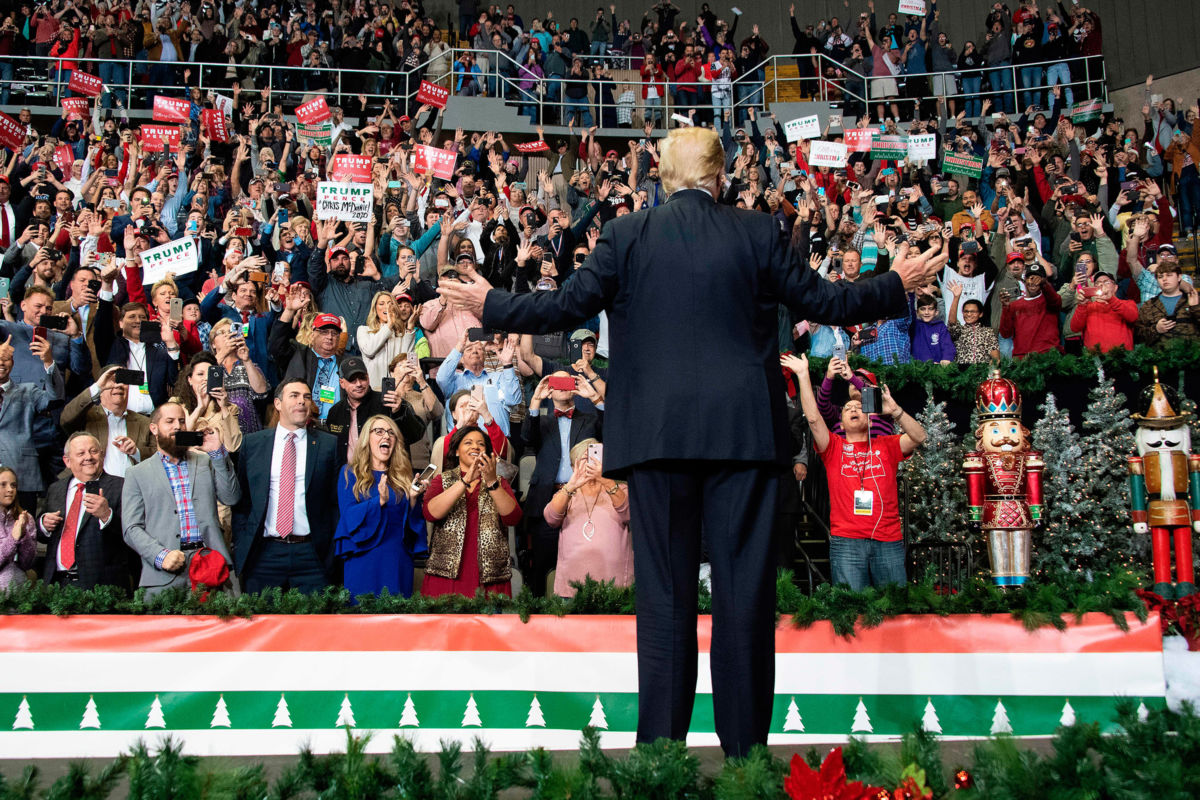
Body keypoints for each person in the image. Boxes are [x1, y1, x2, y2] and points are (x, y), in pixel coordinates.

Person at [438, 125, 932, 757]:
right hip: (744, 440)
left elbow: (564, 307)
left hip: (657, 442)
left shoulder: (624, 234)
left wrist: (493, 301)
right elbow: (827, 300)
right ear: (720, 177)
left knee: (666, 600)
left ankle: (661, 759)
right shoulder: (757, 231)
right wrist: (897, 280)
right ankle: (746, 758)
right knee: (744, 599)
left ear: (662, 181)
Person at [786, 352, 927, 591]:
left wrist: (896, 411)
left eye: (859, 407)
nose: (854, 408)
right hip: (847, 542)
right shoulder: (833, 447)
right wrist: (802, 375)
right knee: (852, 612)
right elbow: (813, 418)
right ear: (840, 421)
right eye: (848, 407)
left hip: (888, 540)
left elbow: (919, 436)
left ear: (871, 419)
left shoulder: (888, 445)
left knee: (894, 611)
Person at [231, 379, 341, 594]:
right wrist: (243, 540)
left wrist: (329, 548)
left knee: (314, 624)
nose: (302, 401)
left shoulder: (329, 445)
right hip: (264, 553)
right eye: (294, 396)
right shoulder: (253, 443)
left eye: (307, 397)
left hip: (312, 555)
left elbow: (334, 502)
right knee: (261, 623)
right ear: (278, 403)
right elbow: (243, 502)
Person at [121, 402, 238, 597]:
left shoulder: (205, 461)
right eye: (170, 421)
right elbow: (131, 528)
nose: (178, 426)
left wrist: (217, 453)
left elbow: (231, 497)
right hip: (162, 572)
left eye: (182, 421)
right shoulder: (136, 473)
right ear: (154, 428)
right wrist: (160, 556)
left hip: (211, 566)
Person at [522, 372, 603, 596]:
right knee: (543, 564)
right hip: (547, 498)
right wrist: (536, 399)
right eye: (555, 382)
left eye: (566, 381)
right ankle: (539, 617)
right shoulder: (541, 421)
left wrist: (594, 397)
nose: (561, 386)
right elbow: (527, 438)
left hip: (584, 498)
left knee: (584, 563)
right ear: (549, 388)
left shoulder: (590, 419)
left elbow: (610, 430)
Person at [421, 426, 522, 598]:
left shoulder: (499, 482)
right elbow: (431, 513)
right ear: (457, 451)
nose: (475, 447)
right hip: (447, 574)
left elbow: (513, 518)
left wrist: (491, 482)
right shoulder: (442, 480)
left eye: (480, 444)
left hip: (490, 576)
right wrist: (465, 480)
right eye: (468, 443)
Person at [334, 415, 428, 599]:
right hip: (362, 556)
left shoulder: (404, 477)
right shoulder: (349, 474)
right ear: (366, 439)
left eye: (391, 433)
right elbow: (348, 516)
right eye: (379, 431)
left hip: (396, 557)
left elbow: (411, 528)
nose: (386, 436)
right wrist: (378, 502)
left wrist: (414, 500)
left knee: (396, 617)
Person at [543, 439, 632, 597]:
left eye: (597, 458)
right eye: (586, 459)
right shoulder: (567, 494)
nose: (593, 463)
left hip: (615, 588)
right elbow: (551, 518)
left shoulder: (620, 489)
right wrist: (570, 486)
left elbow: (630, 514)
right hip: (571, 589)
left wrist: (606, 481)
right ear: (573, 466)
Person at [38, 433, 127, 589]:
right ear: (67, 461)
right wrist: (44, 524)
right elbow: (41, 534)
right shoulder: (56, 488)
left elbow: (131, 533)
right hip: (57, 584)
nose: (88, 457)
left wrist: (107, 516)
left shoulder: (121, 486)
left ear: (102, 455)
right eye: (81, 453)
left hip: (101, 586)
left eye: (93, 451)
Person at [59, 366, 156, 479]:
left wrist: (136, 452)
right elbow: (65, 418)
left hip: (133, 488)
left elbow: (159, 458)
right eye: (112, 381)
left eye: (123, 381)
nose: (118, 385)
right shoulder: (85, 417)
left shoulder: (145, 422)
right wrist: (97, 387)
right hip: (94, 486)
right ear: (100, 391)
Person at [0, 468, 36, 592]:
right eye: (3, 485)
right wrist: (13, 539)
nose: (10, 489)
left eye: (13, 485)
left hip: (20, 597)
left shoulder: (26, 519)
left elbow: (27, 564)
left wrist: (24, 534)